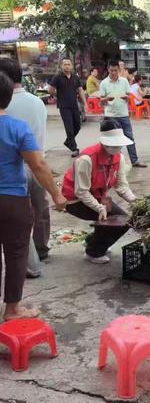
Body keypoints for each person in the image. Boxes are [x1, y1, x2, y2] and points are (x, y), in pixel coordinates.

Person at [0, 72, 66, 319]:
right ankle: (12, 309)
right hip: (12, 200)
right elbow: (38, 165)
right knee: (16, 253)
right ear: (7, 99)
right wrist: (57, 195)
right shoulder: (17, 128)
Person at [61, 119, 137, 264]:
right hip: (76, 200)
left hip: (99, 197)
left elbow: (121, 186)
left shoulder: (119, 157)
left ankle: (92, 241)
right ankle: (93, 252)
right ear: (104, 142)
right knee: (117, 222)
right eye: (113, 145)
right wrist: (99, 207)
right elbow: (81, 192)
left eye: (119, 145)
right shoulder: (86, 159)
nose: (117, 148)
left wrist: (135, 201)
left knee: (123, 219)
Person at [1, 58, 51, 273]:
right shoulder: (38, 101)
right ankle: (41, 247)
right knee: (40, 209)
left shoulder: (5, 105)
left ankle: (30, 264)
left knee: (19, 220)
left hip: (15, 168)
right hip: (38, 163)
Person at [100, 60, 147, 168]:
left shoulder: (124, 81)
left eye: (115, 70)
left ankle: (134, 161)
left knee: (129, 138)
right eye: (111, 70)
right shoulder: (104, 83)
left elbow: (129, 96)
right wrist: (106, 98)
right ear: (108, 70)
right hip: (110, 115)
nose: (113, 73)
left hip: (123, 114)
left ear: (119, 70)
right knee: (112, 141)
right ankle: (112, 162)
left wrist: (127, 97)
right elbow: (101, 101)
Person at [49, 58, 87, 157]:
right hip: (64, 106)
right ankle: (74, 148)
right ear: (62, 66)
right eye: (65, 64)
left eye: (69, 64)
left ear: (71, 66)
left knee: (77, 126)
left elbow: (80, 90)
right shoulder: (57, 77)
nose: (67, 66)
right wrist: (59, 95)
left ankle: (68, 142)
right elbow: (51, 90)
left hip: (74, 105)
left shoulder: (75, 77)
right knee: (69, 128)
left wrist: (85, 102)